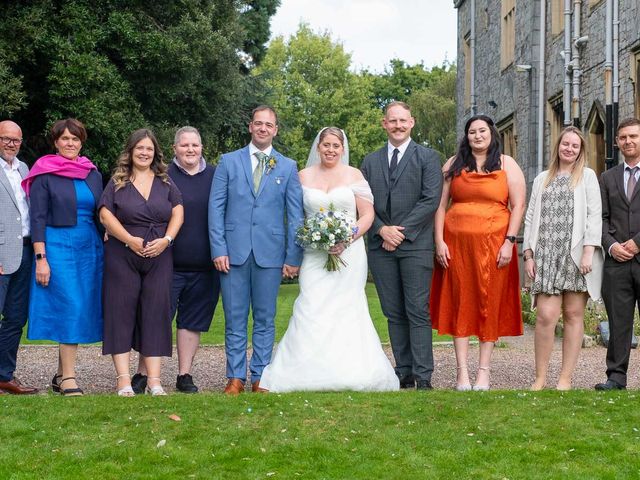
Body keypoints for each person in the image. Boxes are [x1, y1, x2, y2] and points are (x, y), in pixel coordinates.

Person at [260, 127, 399, 392]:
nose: (331, 150)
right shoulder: (302, 176)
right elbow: (295, 215)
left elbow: (367, 215)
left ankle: (351, 370)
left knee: (347, 306)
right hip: (314, 253)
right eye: (326, 145)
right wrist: (314, 238)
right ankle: (302, 371)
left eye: (336, 146)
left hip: (350, 251)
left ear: (343, 148)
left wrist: (347, 238)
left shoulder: (354, 175)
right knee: (311, 304)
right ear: (318, 147)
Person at [208, 105, 304, 395]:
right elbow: (216, 208)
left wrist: (293, 255)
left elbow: (296, 215)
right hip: (232, 253)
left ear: (275, 130)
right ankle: (235, 377)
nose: (263, 129)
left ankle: (261, 375)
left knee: (265, 318)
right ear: (250, 127)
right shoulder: (228, 161)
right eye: (258, 123)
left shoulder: (287, 167)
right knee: (234, 317)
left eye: (269, 125)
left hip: (270, 254)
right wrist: (218, 248)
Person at [431, 114, 525, 391]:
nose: (477, 136)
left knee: (489, 303)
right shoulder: (453, 164)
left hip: (496, 247)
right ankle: (462, 373)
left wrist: (510, 241)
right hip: (456, 246)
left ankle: (483, 372)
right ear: (466, 136)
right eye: (472, 132)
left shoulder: (508, 164)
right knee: (459, 302)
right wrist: (439, 242)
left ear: (491, 133)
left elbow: (518, 206)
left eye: (482, 131)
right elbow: (439, 206)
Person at [131, 126, 219, 394]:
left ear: (202, 147)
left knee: (191, 322)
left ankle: (184, 374)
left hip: (205, 264)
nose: (190, 150)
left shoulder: (216, 176)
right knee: (155, 318)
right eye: (184, 145)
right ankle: (143, 374)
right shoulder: (161, 176)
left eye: (195, 145)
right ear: (174, 149)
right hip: (165, 262)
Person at [361, 101, 442, 390]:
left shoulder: (428, 158)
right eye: (392, 121)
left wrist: (401, 232)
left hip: (416, 245)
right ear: (384, 124)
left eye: (402, 121)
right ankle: (404, 372)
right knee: (393, 312)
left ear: (412, 122)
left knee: (417, 310)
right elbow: (364, 202)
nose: (397, 125)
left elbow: (430, 199)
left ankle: (424, 375)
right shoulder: (370, 162)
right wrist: (382, 229)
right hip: (381, 247)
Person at [99, 129, 184, 396]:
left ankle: (154, 381)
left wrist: (167, 240)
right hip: (122, 254)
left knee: (156, 312)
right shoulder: (117, 182)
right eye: (140, 149)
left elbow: (178, 213)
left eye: (149, 149)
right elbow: (104, 215)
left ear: (155, 152)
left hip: (159, 255)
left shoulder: (166, 182)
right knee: (120, 311)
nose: (144, 153)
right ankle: (123, 380)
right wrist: (128, 239)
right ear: (131, 151)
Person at [22, 118, 104, 396]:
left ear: (82, 142)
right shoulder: (43, 173)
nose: (71, 144)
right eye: (65, 139)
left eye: (75, 139)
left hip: (89, 247)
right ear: (55, 142)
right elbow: (38, 218)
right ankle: (69, 377)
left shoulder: (91, 172)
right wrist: (41, 257)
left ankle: (59, 375)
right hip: (57, 246)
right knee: (71, 306)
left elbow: (101, 212)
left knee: (81, 306)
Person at [523, 126, 603, 391]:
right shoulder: (541, 179)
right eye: (565, 144)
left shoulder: (587, 177)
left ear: (581, 150)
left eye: (575, 146)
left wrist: (589, 251)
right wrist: (528, 255)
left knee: (572, 314)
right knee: (546, 315)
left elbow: (594, 215)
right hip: (545, 255)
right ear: (558, 146)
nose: (569, 148)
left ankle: (565, 379)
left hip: (575, 255)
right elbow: (531, 217)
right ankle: (540, 377)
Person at [596, 117, 640, 391]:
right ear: (617, 142)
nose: (628, 141)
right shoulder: (607, 177)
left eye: (633, 136)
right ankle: (616, 377)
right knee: (619, 322)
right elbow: (598, 218)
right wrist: (611, 245)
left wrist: (638, 243)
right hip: (617, 263)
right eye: (623, 137)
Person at [0, 120, 38, 395]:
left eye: (16, 140)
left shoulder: (23, 168)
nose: (11, 144)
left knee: (15, 318)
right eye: (5, 139)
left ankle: (4, 375)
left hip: (24, 252)